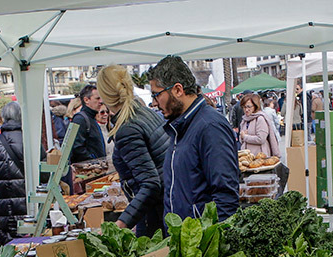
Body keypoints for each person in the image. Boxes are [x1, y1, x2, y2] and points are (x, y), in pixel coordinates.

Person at [146, 55, 239, 221]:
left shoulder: (210, 126)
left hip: (200, 242)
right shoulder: (180, 126)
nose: (154, 103)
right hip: (184, 240)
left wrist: (215, 243)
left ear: (178, 90)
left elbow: (226, 196)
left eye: (157, 95)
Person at [96, 64, 169, 237]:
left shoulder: (128, 128)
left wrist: (121, 223)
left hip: (154, 217)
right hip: (165, 209)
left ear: (104, 95)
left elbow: (150, 184)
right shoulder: (144, 113)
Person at [0, 101, 28, 246]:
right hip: (30, 204)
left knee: (9, 252)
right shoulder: (30, 140)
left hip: (4, 209)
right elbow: (44, 174)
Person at [69, 84, 106, 163]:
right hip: (89, 171)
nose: (101, 101)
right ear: (86, 100)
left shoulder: (90, 118)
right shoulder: (80, 119)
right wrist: (94, 161)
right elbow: (77, 148)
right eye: (97, 98)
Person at [238, 92, 278, 158]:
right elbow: (241, 139)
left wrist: (245, 137)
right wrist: (242, 137)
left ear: (255, 106)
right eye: (244, 107)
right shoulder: (244, 120)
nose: (246, 109)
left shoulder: (260, 119)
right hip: (247, 157)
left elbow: (261, 139)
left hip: (260, 157)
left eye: (249, 107)